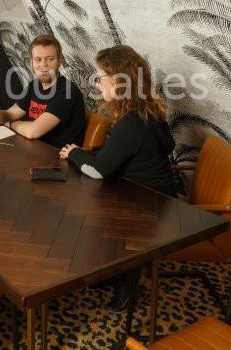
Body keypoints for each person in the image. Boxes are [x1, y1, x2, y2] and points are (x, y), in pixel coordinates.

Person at [59, 45, 177, 312]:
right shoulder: (148, 110)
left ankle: (126, 285)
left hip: (148, 206)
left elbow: (99, 170)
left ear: (119, 82)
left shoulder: (131, 123)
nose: (97, 82)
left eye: (100, 76)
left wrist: (74, 153)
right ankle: (112, 271)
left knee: (91, 208)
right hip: (160, 198)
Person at [0, 34, 86, 148]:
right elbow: (10, 114)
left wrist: (11, 124)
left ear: (59, 61)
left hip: (58, 159)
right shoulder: (34, 85)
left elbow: (32, 132)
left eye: (50, 59)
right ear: (31, 62)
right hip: (33, 149)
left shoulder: (67, 92)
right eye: (38, 59)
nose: (43, 65)